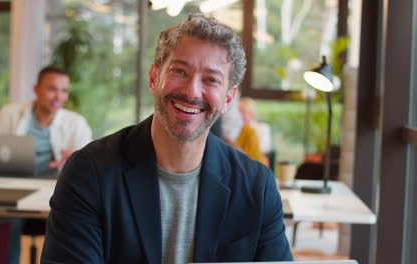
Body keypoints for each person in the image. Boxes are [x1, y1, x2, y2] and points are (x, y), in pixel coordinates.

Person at [41, 14, 292, 263]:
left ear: (228, 98)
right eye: (179, 71)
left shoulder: (256, 186)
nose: (192, 91)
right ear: (154, 78)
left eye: (211, 79)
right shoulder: (89, 173)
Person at [0, 65, 92, 264]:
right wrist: (0, 151)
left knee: (74, 223)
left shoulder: (76, 123)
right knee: (9, 220)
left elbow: (92, 168)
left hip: (53, 191)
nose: (59, 97)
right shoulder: (10, 115)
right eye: (52, 89)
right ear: (36, 89)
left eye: (64, 91)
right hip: (15, 190)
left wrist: (76, 160)